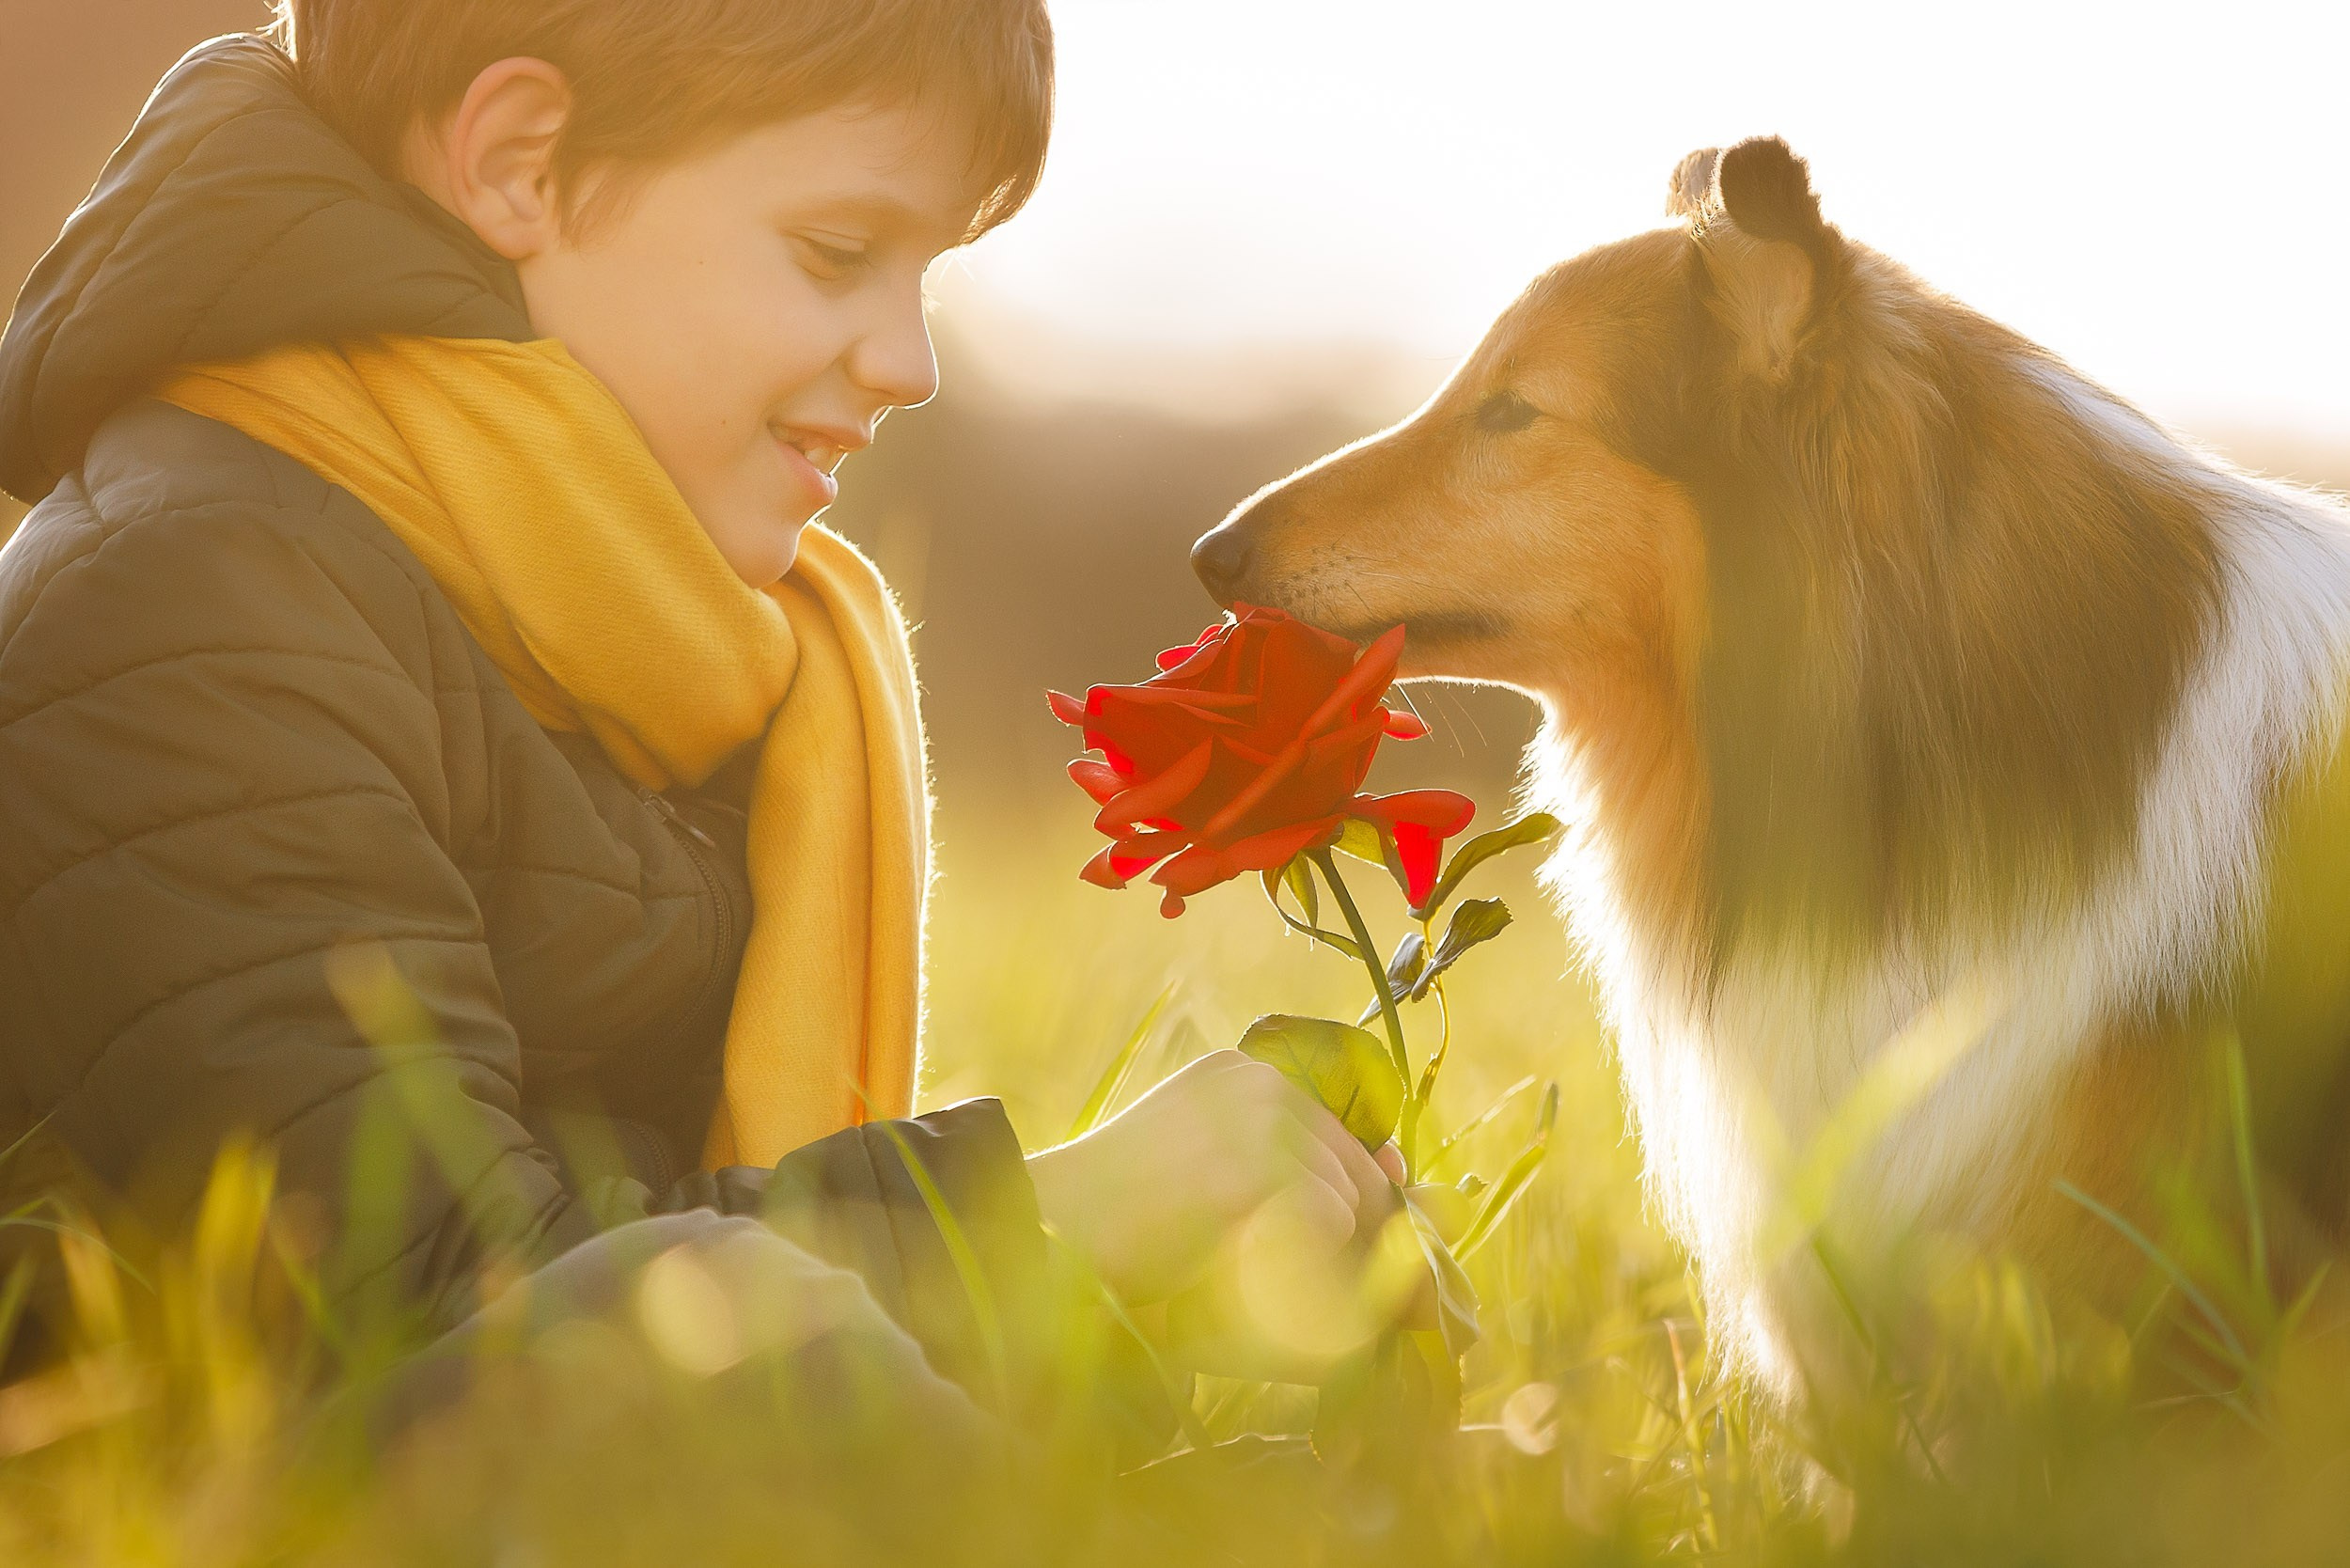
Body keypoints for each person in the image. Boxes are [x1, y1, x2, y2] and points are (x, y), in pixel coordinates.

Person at [0, 0, 1409, 1464]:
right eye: (838, 254)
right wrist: (1043, 1214)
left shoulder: (632, 625)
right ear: (520, 164)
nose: (908, 362)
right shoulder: (187, 603)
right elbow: (432, 1315)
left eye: (925, 275)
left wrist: (1136, 1291)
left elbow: (645, 1237)